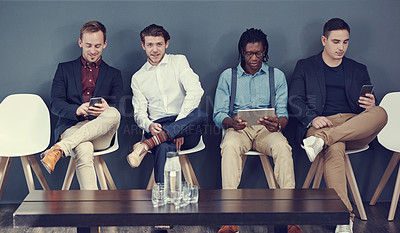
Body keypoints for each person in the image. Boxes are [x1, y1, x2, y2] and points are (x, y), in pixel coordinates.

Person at [289, 18, 387, 233]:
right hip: (321, 123)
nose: (341, 47)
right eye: (336, 41)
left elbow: (368, 109)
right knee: (335, 148)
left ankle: (322, 141)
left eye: (345, 42)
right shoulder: (305, 66)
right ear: (324, 40)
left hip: (352, 124)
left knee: (380, 112)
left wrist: (370, 104)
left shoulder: (358, 69)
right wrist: (312, 118)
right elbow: (294, 100)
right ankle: (344, 219)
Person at [213, 28, 301, 233]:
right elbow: (218, 113)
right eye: (249, 53)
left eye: (258, 53)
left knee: (283, 148)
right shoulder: (228, 76)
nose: (254, 58)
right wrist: (231, 122)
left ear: (265, 52)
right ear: (242, 53)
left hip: (266, 131)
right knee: (229, 146)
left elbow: (283, 113)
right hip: (239, 130)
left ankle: (291, 218)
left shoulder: (275, 76)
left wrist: (278, 124)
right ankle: (229, 217)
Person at [41, 21, 123, 190]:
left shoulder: (114, 74)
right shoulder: (64, 69)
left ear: (105, 44)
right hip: (72, 128)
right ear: (80, 43)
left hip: (101, 133)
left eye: (98, 46)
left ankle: (59, 149)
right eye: (88, 45)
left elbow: (121, 107)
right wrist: (76, 110)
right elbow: (55, 104)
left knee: (114, 113)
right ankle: (91, 209)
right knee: (84, 147)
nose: (93, 51)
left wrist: (107, 108)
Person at [128, 24, 206, 184]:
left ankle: (145, 145)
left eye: (159, 44)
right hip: (157, 128)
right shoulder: (138, 77)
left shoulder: (179, 61)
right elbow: (139, 114)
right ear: (143, 46)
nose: (155, 50)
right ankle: (168, 203)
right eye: (150, 45)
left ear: (167, 44)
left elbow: (196, 91)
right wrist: (149, 125)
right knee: (164, 147)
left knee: (200, 114)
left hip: (186, 125)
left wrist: (179, 128)